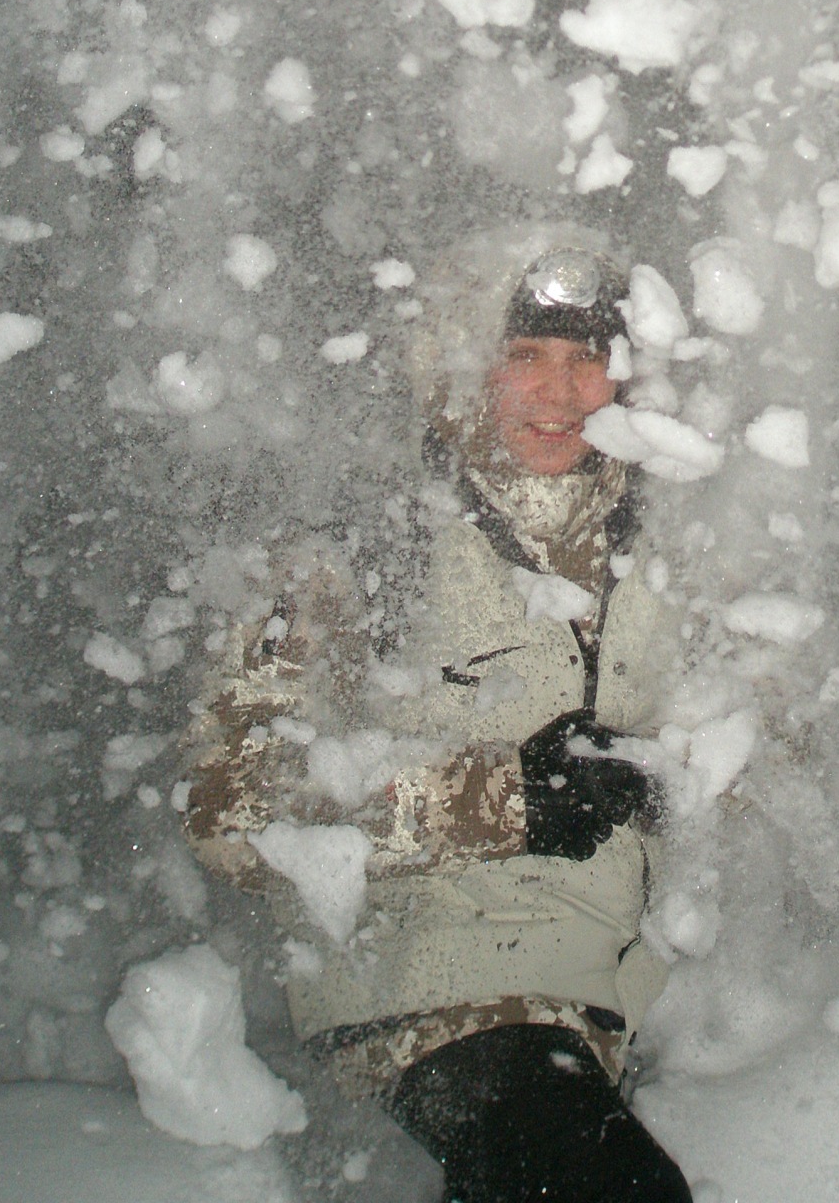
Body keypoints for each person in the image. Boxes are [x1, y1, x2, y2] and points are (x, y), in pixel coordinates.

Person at [180, 225, 691, 1203]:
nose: (559, 390)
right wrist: (501, 802)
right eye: (525, 354)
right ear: (464, 366)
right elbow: (230, 812)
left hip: (626, 994)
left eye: (588, 356)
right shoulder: (356, 549)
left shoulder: (672, 540)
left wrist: (680, 781)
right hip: (434, 993)